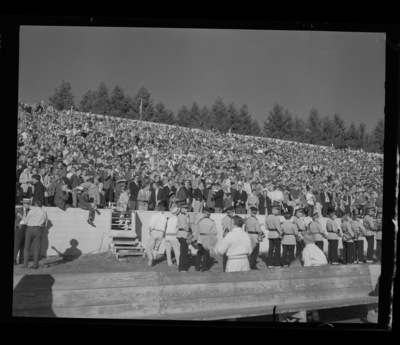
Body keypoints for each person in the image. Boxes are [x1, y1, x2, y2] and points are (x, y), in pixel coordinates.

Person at [22, 199, 48, 269]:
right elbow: (45, 224)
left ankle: (25, 264)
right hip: (38, 229)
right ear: (42, 205)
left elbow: (25, 222)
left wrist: (24, 214)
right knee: (37, 248)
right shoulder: (44, 212)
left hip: (30, 229)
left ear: (36, 204)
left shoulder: (31, 211)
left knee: (27, 247)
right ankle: (35, 265)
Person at [194, 207, 218, 272]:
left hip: (200, 239)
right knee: (206, 255)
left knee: (199, 254)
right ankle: (204, 269)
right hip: (207, 239)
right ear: (209, 214)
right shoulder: (212, 222)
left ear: (204, 213)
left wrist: (195, 239)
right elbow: (215, 232)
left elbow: (196, 231)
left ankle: (197, 268)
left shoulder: (200, 221)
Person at [265, 204, 283, 268]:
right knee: (277, 250)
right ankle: (277, 264)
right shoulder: (275, 217)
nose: (278, 211)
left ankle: (270, 264)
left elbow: (266, 227)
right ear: (274, 210)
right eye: (277, 210)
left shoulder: (267, 217)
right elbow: (278, 227)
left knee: (270, 250)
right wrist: (281, 233)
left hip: (270, 234)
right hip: (276, 234)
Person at [14, 199, 31, 264]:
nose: (29, 205)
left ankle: (22, 260)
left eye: (29, 204)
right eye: (28, 204)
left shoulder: (30, 211)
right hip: (19, 228)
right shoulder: (17, 209)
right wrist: (17, 225)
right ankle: (14, 260)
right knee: (16, 244)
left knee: (24, 245)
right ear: (24, 204)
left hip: (27, 228)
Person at [176, 203, 190, 272]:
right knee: (184, 252)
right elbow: (184, 226)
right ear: (182, 209)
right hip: (182, 234)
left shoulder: (184, 215)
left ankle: (183, 267)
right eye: (186, 208)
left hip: (183, 234)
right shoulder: (181, 216)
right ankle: (182, 268)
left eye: (187, 208)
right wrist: (189, 228)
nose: (187, 210)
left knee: (184, 251)